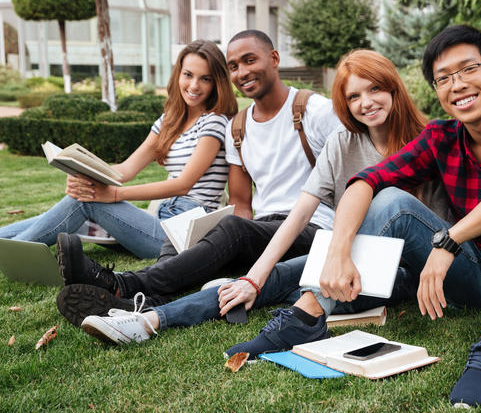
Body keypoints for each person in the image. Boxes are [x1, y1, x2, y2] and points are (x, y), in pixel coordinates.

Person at [224, 25, 481, 409]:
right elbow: (365, 181)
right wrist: (339, 252)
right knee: (389, 197)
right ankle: (306, 316)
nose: (457, 84)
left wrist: (449, 241)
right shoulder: (439, 137)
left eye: (467, 70)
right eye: (444, 78)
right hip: (475, 274)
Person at [74, 49, 451, 344]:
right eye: (354, 96)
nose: (366, 103)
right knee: (262, 281)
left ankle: (268, 293)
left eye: (375, 89)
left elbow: (447, 222)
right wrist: (254, 277)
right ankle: (146, 321)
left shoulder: (429, 140)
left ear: (393, 88)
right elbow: (301, 212)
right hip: (343, 257)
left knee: (286, 281)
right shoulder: (342, 143)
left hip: (406, 269)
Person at [55, 29, 341, 325]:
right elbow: (241, 203)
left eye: (250, 60)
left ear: (274, 58)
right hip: (267, 234)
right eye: (234, 66)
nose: (242, 72)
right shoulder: (238, 128)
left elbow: (352, 183)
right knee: (202, 234)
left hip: (314, 231)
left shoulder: (315, 110)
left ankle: (121, 284)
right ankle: (138, 303)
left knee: (233, 230)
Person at [0, 40, 237, 259]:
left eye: (205, 78)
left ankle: (14, 255)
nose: (194, 85)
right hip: (161, 220)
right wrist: (86, 177)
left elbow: (183, 184)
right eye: (188, 75)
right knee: (83, 196)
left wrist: (115, 194)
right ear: (178, 75)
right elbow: (125, 170)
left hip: (182, 234)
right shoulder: (169, 121)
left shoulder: (214, 122)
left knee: (88, 201)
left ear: (217, 83)